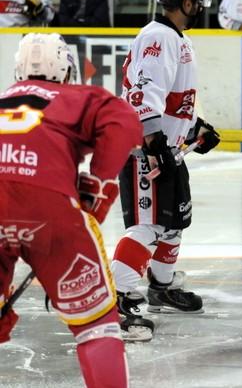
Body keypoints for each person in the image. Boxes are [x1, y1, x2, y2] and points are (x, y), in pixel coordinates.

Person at [0, 33, 141, 387]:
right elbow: (124, 122)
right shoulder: (76, 96)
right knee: (96, 325)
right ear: (66, 70)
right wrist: (101, 182)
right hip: (46, 204)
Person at [111, 0, 221, 342]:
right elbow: (142, 98)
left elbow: (171, 100)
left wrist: (194, 128)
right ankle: (121, 299)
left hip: (169, 149)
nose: (202, 5)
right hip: (148, 152)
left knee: (173, 222)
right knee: (148, 226)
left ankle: (160, 287)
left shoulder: (175, 37)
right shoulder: (158, 37)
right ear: (187, 1)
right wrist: (154, 145)